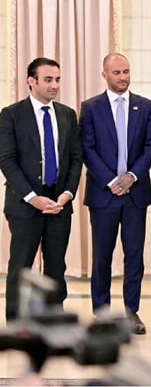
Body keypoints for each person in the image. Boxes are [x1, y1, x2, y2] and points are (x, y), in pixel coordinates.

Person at [79, 53, 151, 335]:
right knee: (102, 256)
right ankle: (101, 314)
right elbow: (87, 148)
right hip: (104, 195)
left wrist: (131, 177)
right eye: (117, 73)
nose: (123, 77)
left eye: (126, 71)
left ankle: (131, 312)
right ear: (105, 75)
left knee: (134, 255)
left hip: (135, 194)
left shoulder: (145, 106)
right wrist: (112, 180)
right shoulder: (90, 108)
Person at [0, 58, 82, 320]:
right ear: (31, 81)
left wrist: (67, 194)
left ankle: (54, 317)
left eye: (58, 79)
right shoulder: (11, 114)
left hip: (59, 203)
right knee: (21, 266)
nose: (55, 85)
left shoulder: (67, 114)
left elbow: (75, 158)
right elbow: (6, 160)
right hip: (25, 204)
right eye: (48, 79)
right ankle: (15, 322)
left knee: (56, 267)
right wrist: (32, 198)